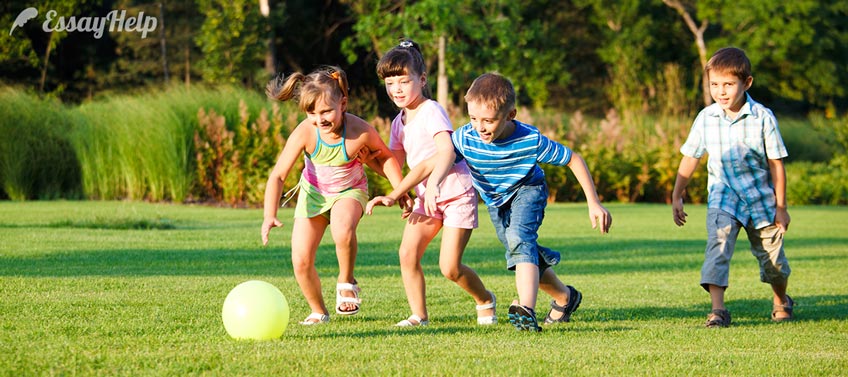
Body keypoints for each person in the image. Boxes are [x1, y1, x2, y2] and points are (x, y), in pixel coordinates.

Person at [383, 72, 612, 332]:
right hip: (496, 200)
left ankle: (526, 310)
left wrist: (594, 203)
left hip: (528, 189)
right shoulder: (466, 136)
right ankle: (564, 297)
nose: (480, 127)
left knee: (519, 239)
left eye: (488, 121)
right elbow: (431, 163)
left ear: (510, 115)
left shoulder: (529, 139)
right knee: (520, 251)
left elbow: (573, 159)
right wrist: (398, 192)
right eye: (473, 118)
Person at [261, 66, 407, 325]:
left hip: (350, 192)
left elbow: (385, 159)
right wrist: (269, 215)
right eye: (312, 113)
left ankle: (346, 279)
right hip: (313, 196)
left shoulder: (359, 131)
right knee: (301, 260)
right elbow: (278, 176)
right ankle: (318, 310)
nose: (320, 119)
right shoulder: (306, 131)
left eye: (326, 111)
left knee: (342, 229)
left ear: (343, 103)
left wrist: (400, 192)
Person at [365, 39, 496, 327]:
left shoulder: (431, 110)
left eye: (403, 80)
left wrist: (433, 182)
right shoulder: (398, 122)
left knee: (449, 267)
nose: (396, 88)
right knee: (407, 253)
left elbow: (446, 150)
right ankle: (418, 316)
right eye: (390, 82)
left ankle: (485, 299)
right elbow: (394, 166)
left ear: (421, 80)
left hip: (455, 192)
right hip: (427, 197)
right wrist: (364, 158)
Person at [672, 47, 793, 328]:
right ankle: (718, 310)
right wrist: (677, 194)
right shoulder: (706, 118)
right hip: (723, 197)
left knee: (773, 263)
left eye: (728, 84)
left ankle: (781, 299)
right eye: (715, 84)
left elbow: (776, 164)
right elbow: (691, 157)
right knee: (718, 246)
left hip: (761, 200)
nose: (721, 91)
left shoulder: (763, 117)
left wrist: (781, 207)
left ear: (746, 83)